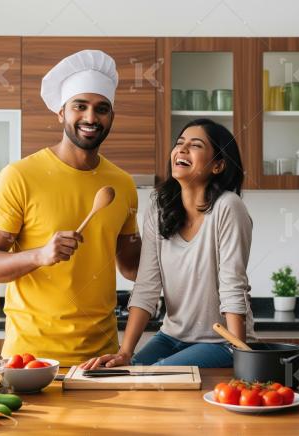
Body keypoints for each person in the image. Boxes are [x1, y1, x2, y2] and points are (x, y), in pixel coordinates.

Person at [0, 50, 141, 366]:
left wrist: (186, 238)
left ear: (111, 117)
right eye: (80, 106)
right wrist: (39, 255)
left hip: (101, 359)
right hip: (30, 359)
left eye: (101, 109)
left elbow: (132, 267)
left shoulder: (122, 184)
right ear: (61, 113)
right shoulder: (19, 176)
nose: (91, 118)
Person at [81, 118, 254, 369]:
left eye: (195, 145)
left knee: (153, 376)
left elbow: (232, 287)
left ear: (217, 165)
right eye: (179, 143)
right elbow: (146, 286)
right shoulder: (160, 209)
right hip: (171, 336)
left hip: (220, 341)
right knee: (126, 371)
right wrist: (125, 352)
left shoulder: (228, 207)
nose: (181, 149)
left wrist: (241, 357)